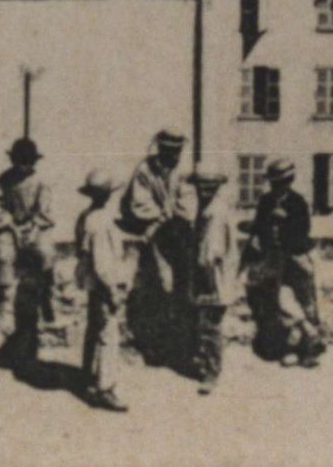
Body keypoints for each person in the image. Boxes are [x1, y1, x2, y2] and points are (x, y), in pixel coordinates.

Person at [0, 138, 55, 371]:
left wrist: (33, 229)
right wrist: (11, 227)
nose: (23, 167)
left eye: (27, 162)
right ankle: (3, 298)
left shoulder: (41, 182)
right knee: (3, 255)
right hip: (9, 228)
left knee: (46, 253)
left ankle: (47, 296)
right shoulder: (3, 180)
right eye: (19, 162)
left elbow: (44, 212)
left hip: (34, 228)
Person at [118, 128, 194, 366]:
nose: (174, 156)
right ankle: (156, 347)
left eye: (177, 151)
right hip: (156, 236)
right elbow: (139, 204)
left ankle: (185, 347)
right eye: (170, 151)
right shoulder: (145, 170)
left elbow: (188, 205)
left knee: (186, 287)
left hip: (180, 235)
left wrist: (170, 215)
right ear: (161, 149)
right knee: (161, 285)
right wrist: (161, 217)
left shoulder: (182, 171)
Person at [244, 158, 324, 367]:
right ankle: (293, 344)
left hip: (296, 255)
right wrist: (254, 229)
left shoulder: (298, 202)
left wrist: (286, 222)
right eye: (274, 182)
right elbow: (259, 226)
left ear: (289, 181)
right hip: (274, 258)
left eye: (282, 181)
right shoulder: (266, 201)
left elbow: (303, 231)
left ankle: (308, 350)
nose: (277, 186)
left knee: (306, 300)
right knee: (280, 302)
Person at [73, 169, 133, 412]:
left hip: (91, 282)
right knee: (108, 334)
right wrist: (113, 291)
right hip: (102, 283)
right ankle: (105, 388)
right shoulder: (102, 221)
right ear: (108, 195)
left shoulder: (85, 216)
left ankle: (89, 378)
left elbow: (82, 252)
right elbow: (103, 264)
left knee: (94, 329)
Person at [184, 164, 237, 394]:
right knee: (207, 326)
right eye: (199, 187)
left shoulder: (213, 213)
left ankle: (211, 372)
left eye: (207, 187)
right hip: (214, 275)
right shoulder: (212, 209)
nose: (202, 191)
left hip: (212, 278)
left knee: (210, 327)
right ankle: (206, 364)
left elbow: (210, 254)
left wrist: (204, 279)